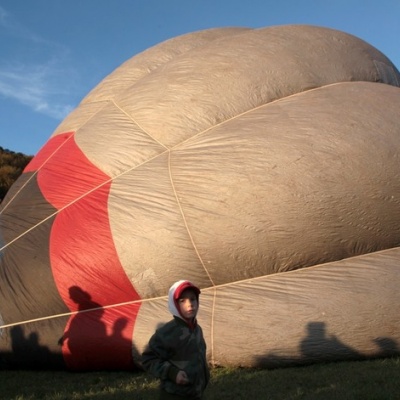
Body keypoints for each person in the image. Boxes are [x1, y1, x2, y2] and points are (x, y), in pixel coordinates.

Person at [142, 280, 210, 399]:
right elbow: (149, 359)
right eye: (182, 301)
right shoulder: (166, 333)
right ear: (174, 304)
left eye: (193, 299)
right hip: (174, 395)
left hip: (196, 393)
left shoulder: (197, 329)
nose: (190, 304)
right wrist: (173, 373)